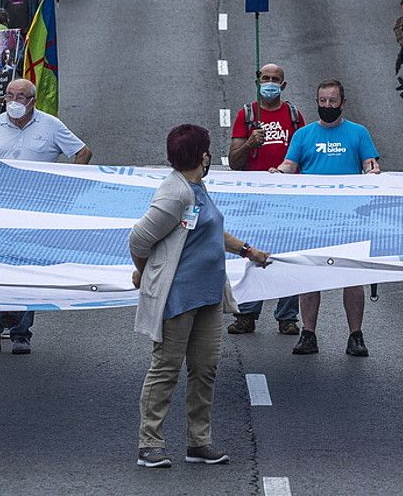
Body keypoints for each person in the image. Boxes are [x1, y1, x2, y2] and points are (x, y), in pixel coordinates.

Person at [130, 124, 272, 469]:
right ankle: (150, 443)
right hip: (178, 297)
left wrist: (246, 250)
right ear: (201, 155)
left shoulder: (196, 187)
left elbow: (209, 229)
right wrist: (147, 270)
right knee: (166, 368)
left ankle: (199, 442)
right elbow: (138, 240)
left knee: (205, 368)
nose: (210, 155)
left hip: (208, 296)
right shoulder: (174, 194)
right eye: (207, 150)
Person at [0, 79, 92, 355]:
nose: (14, 101)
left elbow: (82, 152)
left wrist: (63, 187)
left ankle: (21, 334)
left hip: (34, 212)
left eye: (20, 96)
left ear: (32, 101)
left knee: (24, 270)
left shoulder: (51, 125)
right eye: (9, 95)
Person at [273, 80, 381, 357]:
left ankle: (355, 335)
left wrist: (372, 172)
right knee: (310, 277)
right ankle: (308, 334)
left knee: (351, 278)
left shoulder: (358, 133)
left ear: (343, 103)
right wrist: (278, 174)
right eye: (323, 101)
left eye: (333, 101)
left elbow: (371, 164)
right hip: (312, 219)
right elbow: (290, 165)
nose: (327, 106)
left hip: (349, 218)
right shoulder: (304, 135)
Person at [226, 64, 305, 335]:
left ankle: (287, 316)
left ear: (283, 85)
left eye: (275, 80)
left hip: (287, 199)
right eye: (265, 79)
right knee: (250, 254)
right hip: (253, 199)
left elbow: (303, 157)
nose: (270, 83)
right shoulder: (246, 115)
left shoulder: (294, 116)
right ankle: (247, 313)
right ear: (258, 81)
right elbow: (235, 162)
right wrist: (249, 143)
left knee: (287, 255)